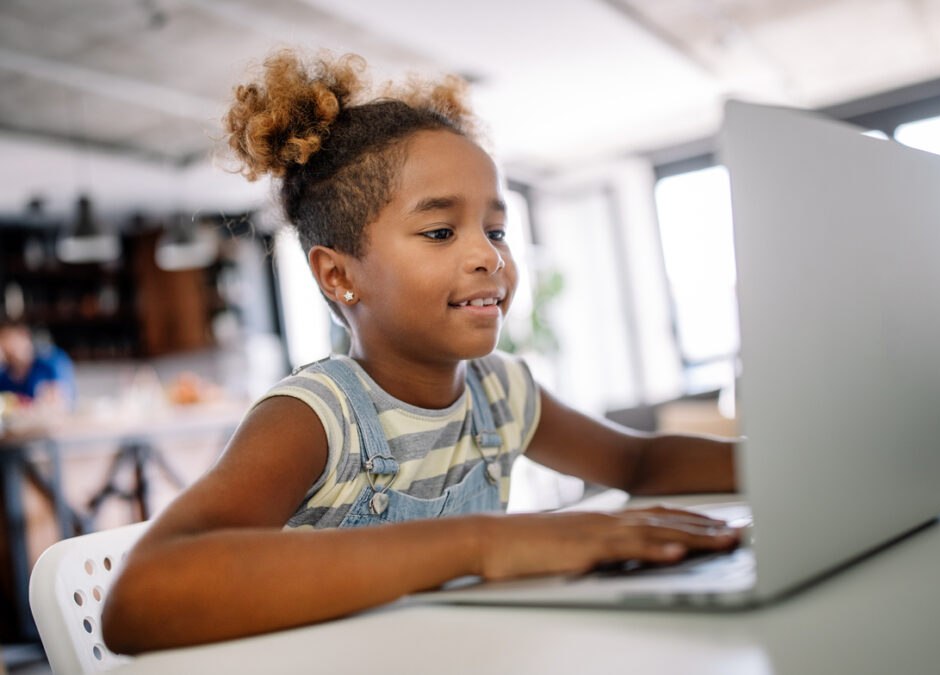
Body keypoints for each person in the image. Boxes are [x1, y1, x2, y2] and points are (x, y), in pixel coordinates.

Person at [101, 49, 740, 654]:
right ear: (338, 276)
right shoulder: (315, 417)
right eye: (440, 231)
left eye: (497, 230)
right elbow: (139, 599)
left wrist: (794, 468)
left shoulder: (500, 392)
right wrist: (480, 543)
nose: (490, 255)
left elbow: (637, 462)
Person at [0, 319, 75, 406]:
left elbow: (60, 401)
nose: (5, 346)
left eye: (7, 338)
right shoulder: (4, 375)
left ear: (23, 335)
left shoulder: (50, 361)